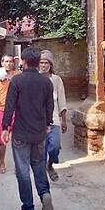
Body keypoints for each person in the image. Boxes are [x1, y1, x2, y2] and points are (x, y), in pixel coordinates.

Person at [1, 47, 54, 210]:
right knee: (38, 165)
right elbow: (49, 107)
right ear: (38, 62)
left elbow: (9, 106)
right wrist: (47, 124)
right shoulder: (47, 83)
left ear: (23, 61)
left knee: (22, 171)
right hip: (39, 132)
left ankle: (28, 209)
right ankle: (44, 193)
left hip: (21, 133)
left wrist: (5, 128)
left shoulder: (17, 81)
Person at [39, 50, 68, 182]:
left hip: (54, 119)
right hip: (38, 121)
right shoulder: (36, 79)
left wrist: (64, 120)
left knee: (55, 146)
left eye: (46, 63)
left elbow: (61, 100)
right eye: (41, 63)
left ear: (51, 65)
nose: (44, 65)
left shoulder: (56, 80)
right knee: (42, 149)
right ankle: (44, 179)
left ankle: (50, 164)